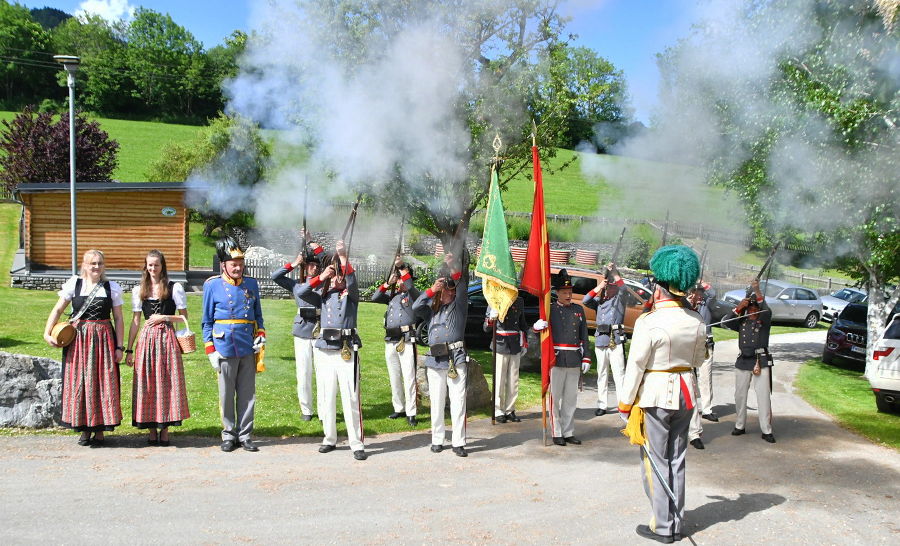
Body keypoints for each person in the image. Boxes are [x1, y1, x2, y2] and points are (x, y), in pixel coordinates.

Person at [618, 245, 707, 543]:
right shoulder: (696, 320)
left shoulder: (649, 322)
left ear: (659, 289)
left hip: (656, 396)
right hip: (686, 393)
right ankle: (676, 520)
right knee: (676, 459)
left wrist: (625, 403)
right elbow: (698, 361)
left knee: (654, 462)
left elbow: (636, 367)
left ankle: (664, 525)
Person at [43, 249, 125, 447]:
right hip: (78, 340)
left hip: (104, 338)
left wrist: (120, 346)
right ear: (85, 265)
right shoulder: (74, 284)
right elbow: (58, 309)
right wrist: (47, 333)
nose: (96, 267)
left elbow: (119, 318)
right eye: (92, 263)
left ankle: (99, 429)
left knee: (102, 381)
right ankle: (84, 428)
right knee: (80, 381)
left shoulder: (111, 287)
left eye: (100, 263)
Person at [297, 240, 367, 461]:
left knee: (350, 397)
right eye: (335, 273)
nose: (338, 277)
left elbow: (352, 280)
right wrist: (322, 277)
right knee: (327, 397)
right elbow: (302, 290)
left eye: (339, 273)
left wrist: (343, 256)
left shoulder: (351, 295)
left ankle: (356, 443)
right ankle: (329, 438)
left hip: (346, 348)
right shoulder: (322, 296)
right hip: (325, 349)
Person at [202, 236, 266, 453]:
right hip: (224, 347)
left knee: (248, 394)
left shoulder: (252, 284)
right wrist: (210, 349)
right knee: (226, 393)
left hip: (247, 344)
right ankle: (229, 434)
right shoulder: (212, 285)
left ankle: (246, 434)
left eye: (240, 264)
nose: (238, 268)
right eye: (233, 264)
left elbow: (258, 315)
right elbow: (206, 321)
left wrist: (261, 335)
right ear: (224, 265)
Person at [124, 250, 191, 446]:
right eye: (150, 265)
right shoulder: (139, 290)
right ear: (146, 267)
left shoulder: (174, 287)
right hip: (146, 339)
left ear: (163, 266)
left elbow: (184, 317)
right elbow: (136, 321)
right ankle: (152, 429)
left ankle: (165, 429)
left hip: (167, 338)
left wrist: (165, 317)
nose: (153, 269)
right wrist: (129, 349)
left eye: (156, 265)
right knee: (148, 382)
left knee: (167, 381)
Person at [412, 252, 469, 457]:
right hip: (435, 360)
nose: (451, 293)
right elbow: (416, 306)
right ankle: (437, 439)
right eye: (447, 290)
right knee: (436, 402)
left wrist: (452, 266)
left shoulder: (458, 305)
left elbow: (462, 286)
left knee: (458, 401)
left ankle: (458, 441)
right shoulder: (431, 311)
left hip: (455, 358)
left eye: (451, 290)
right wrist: (430, 290)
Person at [533, 269, 590, 446]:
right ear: (557, 293)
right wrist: (537, 327)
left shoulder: (578, 309)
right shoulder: (550, 310)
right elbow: (541, 335)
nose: (568, 295)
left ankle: (568, 431)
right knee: (555, 397)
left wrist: (586, 357)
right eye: (565, 292)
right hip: (556, 358)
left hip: (573, 358)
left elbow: (584, 336)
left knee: (570, 399)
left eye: (570, 292)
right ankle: (556, 432)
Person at [271, 236, 325, 422]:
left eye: (317, 265)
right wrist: (294, 263)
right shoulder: (296, 284)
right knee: (303, 372)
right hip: (302, 330)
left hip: (320, 330)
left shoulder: (325, 282)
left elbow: (328, 260)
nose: (314, 267)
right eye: (310, 264)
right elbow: (275, 276)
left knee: (322, 372)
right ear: (305, 266)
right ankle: (306, 410)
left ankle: (324, 410)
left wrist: (312, 243)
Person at [725, 278, 775, 443]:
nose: (753, 311)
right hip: (743, 361)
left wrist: (757, 290)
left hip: (760, 360)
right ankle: (740, 425)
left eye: (755, 308)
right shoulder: (742, 321)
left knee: (763, 397)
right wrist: (739, 307)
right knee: (739, 395)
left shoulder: (764, 319)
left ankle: (766, 430)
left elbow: (767, 310)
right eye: (750, 308)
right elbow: (726, 322)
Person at [372, 257, 420, 427]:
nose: (399, 281)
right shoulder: (392, 296)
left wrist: (402, 269)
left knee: (409, 377)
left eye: (401, 278)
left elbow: (412, 288)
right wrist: (387, 283)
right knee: (394, 376)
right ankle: (399, 408)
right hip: (390, 339)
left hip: (406, 339)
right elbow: (375, 297)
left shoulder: (413, 295)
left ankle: (411, 411)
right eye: (398, 278)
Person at [582, 262, 627, 417]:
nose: (610, 288)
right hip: (601, 341)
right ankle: (602, 404)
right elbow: (586, 300)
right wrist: (600, 286)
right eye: (609, 286)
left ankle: (623, 405)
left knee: (619, 374)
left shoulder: (621, 300)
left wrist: (614, 273)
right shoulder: (600, 302)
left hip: (616, 341)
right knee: (602, 374)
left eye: (612, 286)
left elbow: (624, 288)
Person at [484, 296, 527, 423]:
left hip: (514, 343)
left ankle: (510, 409)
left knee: (513, 380)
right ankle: (498, 410)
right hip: (500, 343)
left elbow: (522, 323)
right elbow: (486, 328)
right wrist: (491, 319)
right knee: (499, 379)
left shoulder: (519, 300)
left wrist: (524, 342)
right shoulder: (494, 299)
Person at [687, 280, 717, 450]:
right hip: (690, 346)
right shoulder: (687, 305)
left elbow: (712, 294)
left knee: (706, 377)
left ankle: (707, 409)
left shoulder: (707, 301)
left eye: (700, 292)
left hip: (706, 344)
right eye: (696, 292)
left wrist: (703, 283)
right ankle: (692, 426)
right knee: (690, 383)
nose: (699, 295)